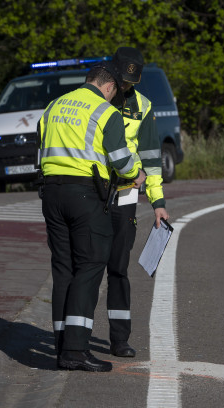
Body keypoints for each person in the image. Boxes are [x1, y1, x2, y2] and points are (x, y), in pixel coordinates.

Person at [38, 61, 146, 371]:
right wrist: (136, 175)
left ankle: (61, 344)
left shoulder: (53, 106)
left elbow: (40, 149)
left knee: (64, 269)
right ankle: (75, 349)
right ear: (109, 87)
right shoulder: (105, 112)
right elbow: (121, 160)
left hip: (51, 193)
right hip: (85, 194)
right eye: (115, 93)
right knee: (91, 264)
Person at [105, 46, 169, 358]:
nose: (126, 87)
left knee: (118, 267)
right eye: (122, 81)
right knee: (88, 267)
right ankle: (76, 337)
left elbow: (152, 161)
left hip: (126, 194)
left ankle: (119, 339)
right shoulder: (96, 99)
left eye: (131, 82)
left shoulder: (143, 107)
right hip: (92, 193)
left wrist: (157, 202)